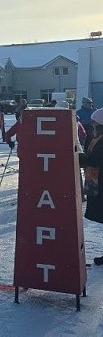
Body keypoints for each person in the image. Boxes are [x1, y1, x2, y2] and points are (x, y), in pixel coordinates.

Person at [78, 108, 103, 265]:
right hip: (97, 183)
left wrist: (79, 157)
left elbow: (95, 160)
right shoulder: (97, 139)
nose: (92, 125)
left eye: (95, 123)